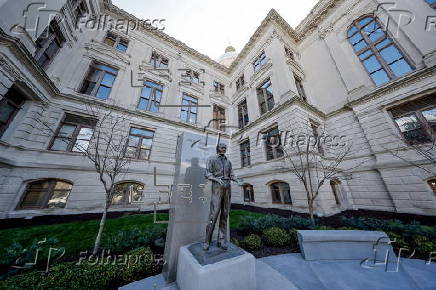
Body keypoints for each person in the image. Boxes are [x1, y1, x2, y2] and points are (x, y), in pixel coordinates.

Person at [204, 143, 242, 251]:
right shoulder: (211, 159)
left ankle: (221, 240)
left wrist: (237, 180)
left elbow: (231, 174)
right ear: (217, 148)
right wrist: (216, 179)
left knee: (225, 214)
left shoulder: (228, 162)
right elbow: (207, 174)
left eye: (225, 147)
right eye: (222, 147)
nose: (223, 149)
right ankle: (207, 240)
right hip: (217, 187)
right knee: (214, 214)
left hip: (227, 187)